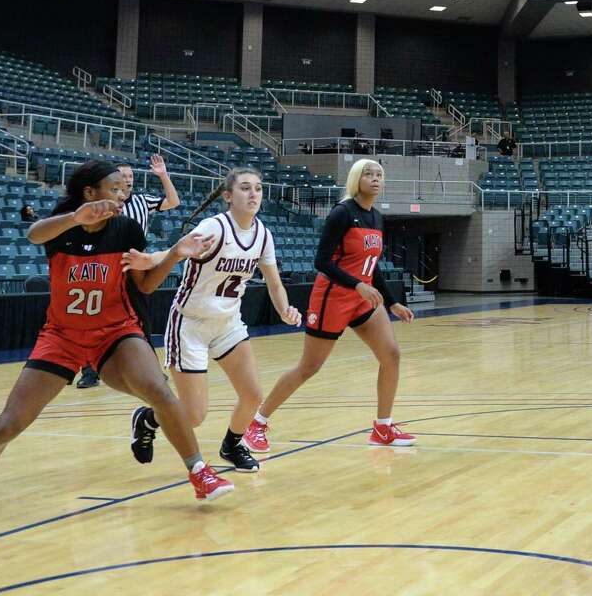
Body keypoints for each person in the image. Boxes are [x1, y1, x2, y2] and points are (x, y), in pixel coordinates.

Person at [0, 160, 232, 513]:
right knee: (10, 423)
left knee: (159, 390)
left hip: (115, 330)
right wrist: (74, 218)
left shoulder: (126, 230)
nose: (123, 195)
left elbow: (144, 285)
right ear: (89, 193)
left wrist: (174, 255)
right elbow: (33, 234)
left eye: (125, 189)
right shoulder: (61, 228)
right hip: (62, 336)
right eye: (115, 189)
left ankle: (200, 472)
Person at [128, 168, 302, 473]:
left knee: (252, 395)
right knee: (194, 416)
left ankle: (232, 445)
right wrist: (151, 259)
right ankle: (147, 418)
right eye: (245, 188)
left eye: (258, 189)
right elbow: (177, 251)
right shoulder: (215, 227)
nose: (253, 194)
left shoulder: (262, 234)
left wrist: (286, 309)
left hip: (228, 323)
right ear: (228, 196)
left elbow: (274, 284)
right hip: (190, 324)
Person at [242, 159, 416, 455]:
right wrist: (357, 284)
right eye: (369, 174)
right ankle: (256, 424)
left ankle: (382, 427)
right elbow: (321, 261)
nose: (375, 179)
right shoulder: (342, 213)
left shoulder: (376, 218)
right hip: (333, 297)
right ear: (356, 179)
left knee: (392, 355)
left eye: (379, 175)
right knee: (309, 367)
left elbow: (371, 267)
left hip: (363, 298)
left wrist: (393, 302)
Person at [76, 155, 181, 390]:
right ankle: (90, 371)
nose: (128, 179)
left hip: (134, 265)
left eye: (131, 176)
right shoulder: (103, 203)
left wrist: (163, 175)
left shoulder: (143, 200)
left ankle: (150, 370)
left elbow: (173, 201)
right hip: (104, 265)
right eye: (123, 176)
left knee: (141, 318)